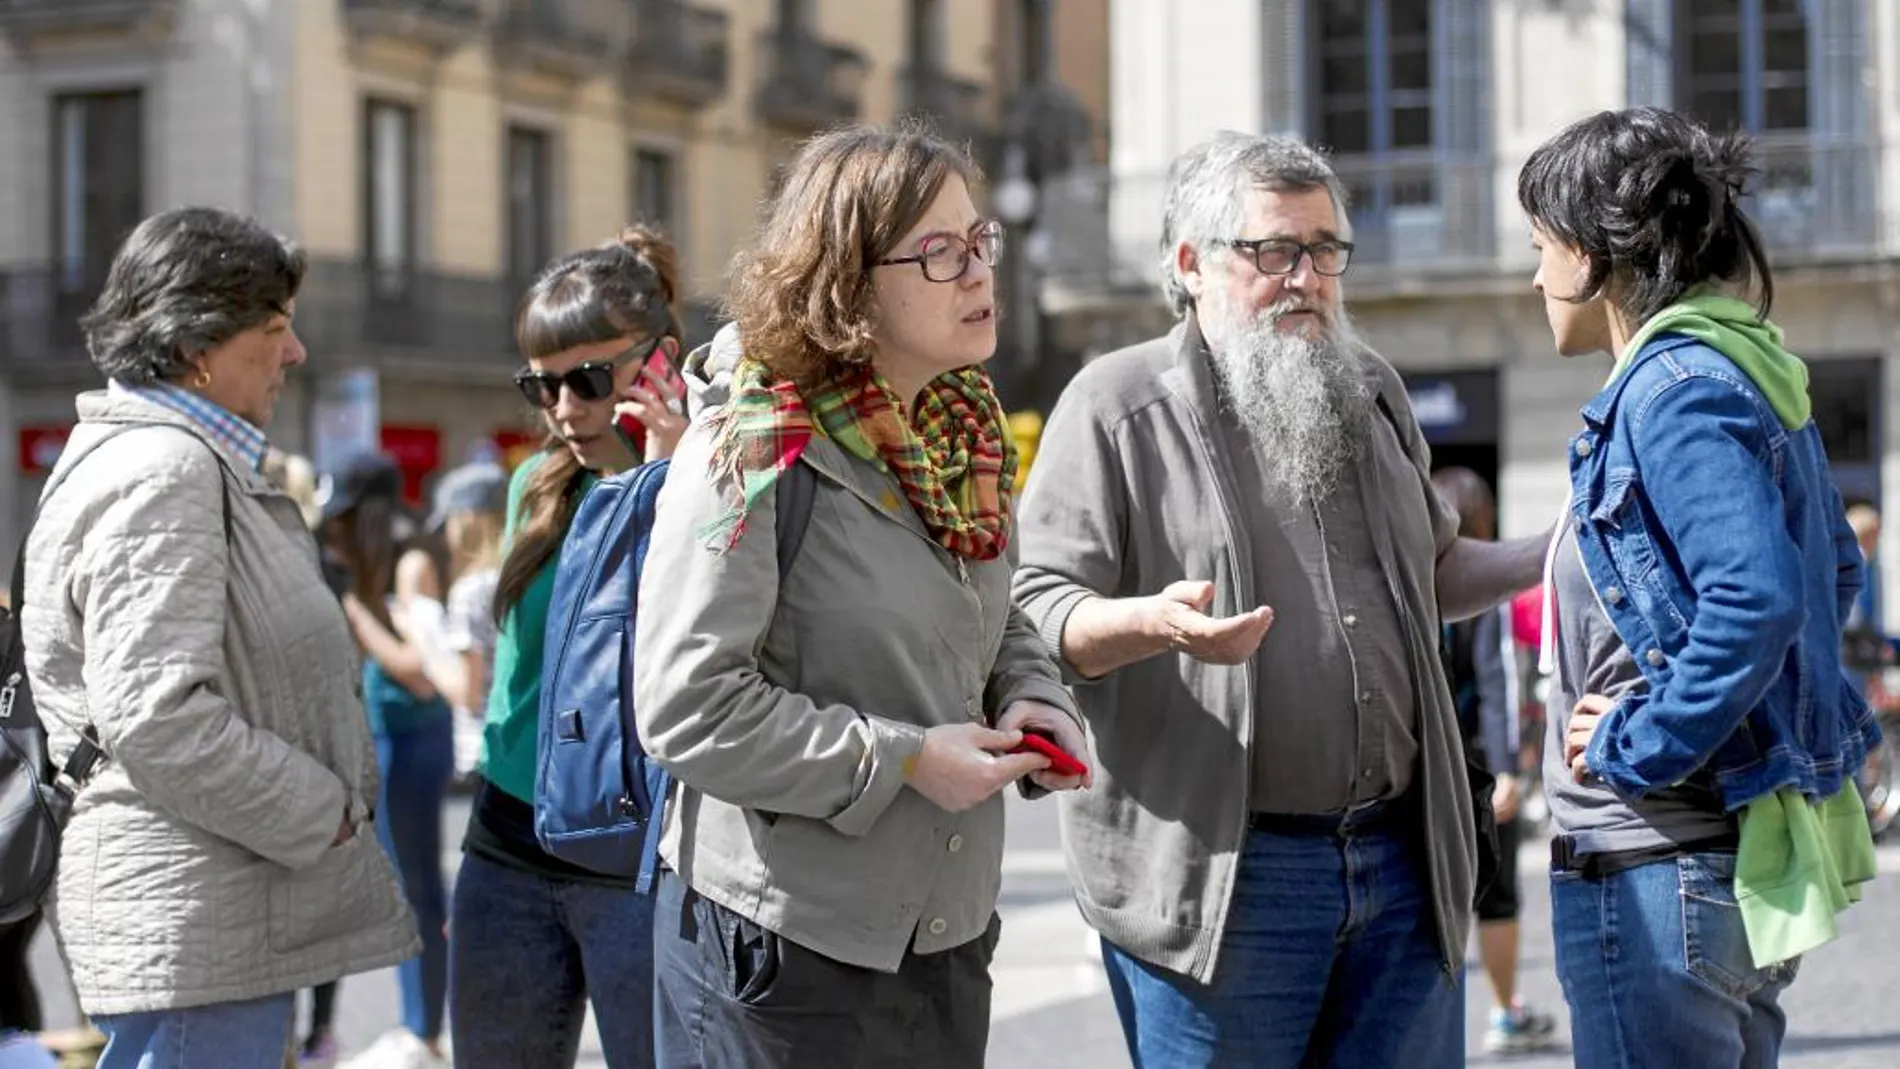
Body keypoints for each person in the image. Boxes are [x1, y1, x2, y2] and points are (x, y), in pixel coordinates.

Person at [1011, 131, 1544, 1068]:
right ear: (1190, 263)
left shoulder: (1369, 387)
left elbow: (1437, 571)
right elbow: (1034, 609)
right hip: (1228, 880)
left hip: (1400, 859)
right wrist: (1150, 623)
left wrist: (1557, 551)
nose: (1306, 276)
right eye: (1273, 251)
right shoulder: (1114, 402)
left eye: (1325, 250)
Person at [634, 124, 1090, 1069]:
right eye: (938, 252)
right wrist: (907, 760)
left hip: (945, 934)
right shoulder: (750, 446)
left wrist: (1037, 693)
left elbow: (991, 612)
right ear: (847, 282)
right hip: (789, 953)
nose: (977, 272)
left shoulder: (965, 434)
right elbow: (685, 707)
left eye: (980, 242)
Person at [1519, 106, 1881, 1069]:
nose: (1535, 278)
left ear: (1599, 255)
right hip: (1708, 860)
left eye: (1543, 247)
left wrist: (1646, 738)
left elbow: (1758, 599)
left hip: (1657, 865)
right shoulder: (1739, 370)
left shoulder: (1671, 387)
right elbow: (1831, 569)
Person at [18, 206, 417, 1068]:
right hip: (196, 921)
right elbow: (158, 715)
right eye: (274, 328)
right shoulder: (163, 469)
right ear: (198, 346)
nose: (296, 352)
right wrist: (323, 813)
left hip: (204, 912)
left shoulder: (163, 457)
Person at [446, 226, 690, 1069]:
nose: (564, 410)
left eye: (588, 380)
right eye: (541, 387)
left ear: (660, 362)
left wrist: (666, 475)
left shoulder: (710, 485)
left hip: (638, 862)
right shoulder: (536, 486)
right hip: (504, 849)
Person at [313, 451, 453, 1069]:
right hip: (394, 737)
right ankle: (416, 1026)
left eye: (343, 520)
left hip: (412, 737)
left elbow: (421, 674)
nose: (334, 536)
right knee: (404, 884)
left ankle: (421, 1031)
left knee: (414, 887)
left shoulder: (411, 560)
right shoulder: (391, 558)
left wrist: (356, 615)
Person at [1430, 467, 1560, 1055]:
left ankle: (1432, 1022)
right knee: (1496, 892)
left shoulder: (1404, 575)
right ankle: (1505, 1011)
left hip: (1423, 760)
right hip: (1480, 762)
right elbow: (1498, 677)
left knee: (1435, 892)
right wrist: (1509, 768)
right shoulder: (1483, 583)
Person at [422, 461, 509, 785]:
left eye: (449, 521)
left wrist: (422, 637)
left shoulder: (471, 591)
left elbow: (466, 692)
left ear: (469, 518)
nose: (446, 534)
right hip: (515, 748)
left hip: (478, 752)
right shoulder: (516, 577)